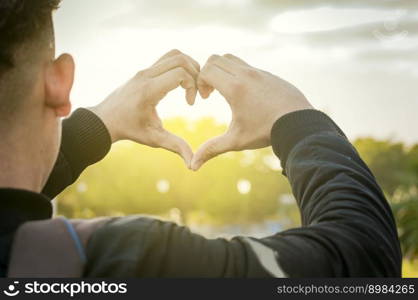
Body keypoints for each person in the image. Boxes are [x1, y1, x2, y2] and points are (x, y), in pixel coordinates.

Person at [0, 0, 401, 277]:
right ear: (59, 81)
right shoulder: (117, 263)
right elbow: (364, 262)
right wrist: (296, 120)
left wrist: (96, 127)